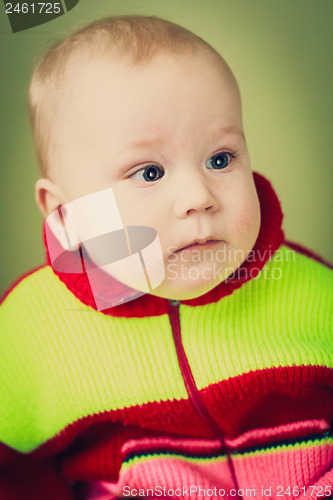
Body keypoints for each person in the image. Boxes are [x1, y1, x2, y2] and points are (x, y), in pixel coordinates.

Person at [0, 15, 332, 500]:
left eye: (220, 159)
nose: (198, 195)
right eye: (149, 172)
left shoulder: (307, 288)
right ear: (66, 213)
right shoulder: (31, 330)